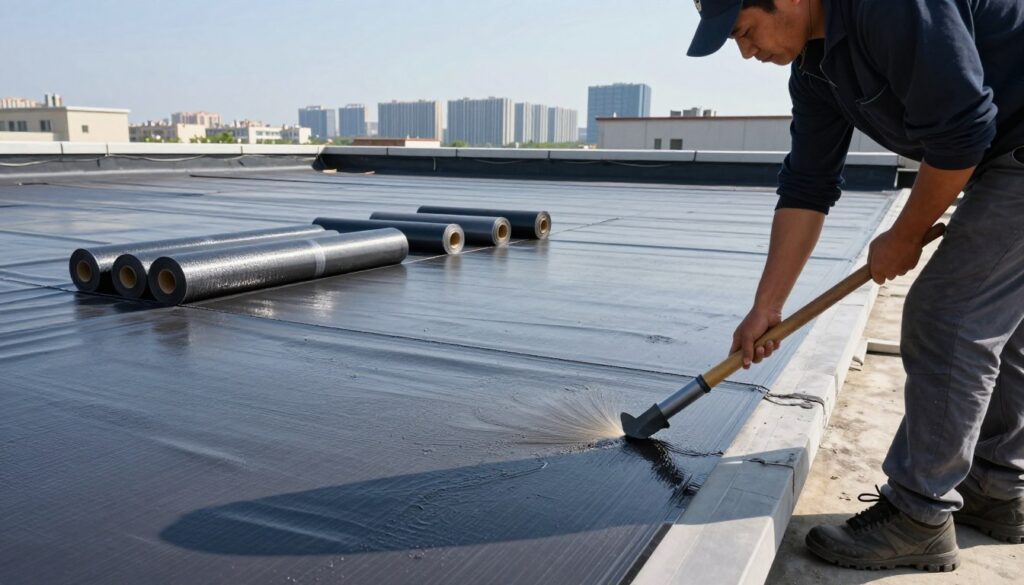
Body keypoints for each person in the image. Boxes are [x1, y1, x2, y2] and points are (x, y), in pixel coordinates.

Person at [686, 0, 1024, 572]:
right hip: (1000, 149)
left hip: (1005, 145)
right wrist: (765, 307)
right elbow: (807, 185)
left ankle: (918, 516)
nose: (746, 51)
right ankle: (997, 489)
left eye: (745, 31)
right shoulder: (816, 69)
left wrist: (904, 233)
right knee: (995, 322)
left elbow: (963, 128)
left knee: (949, 315)